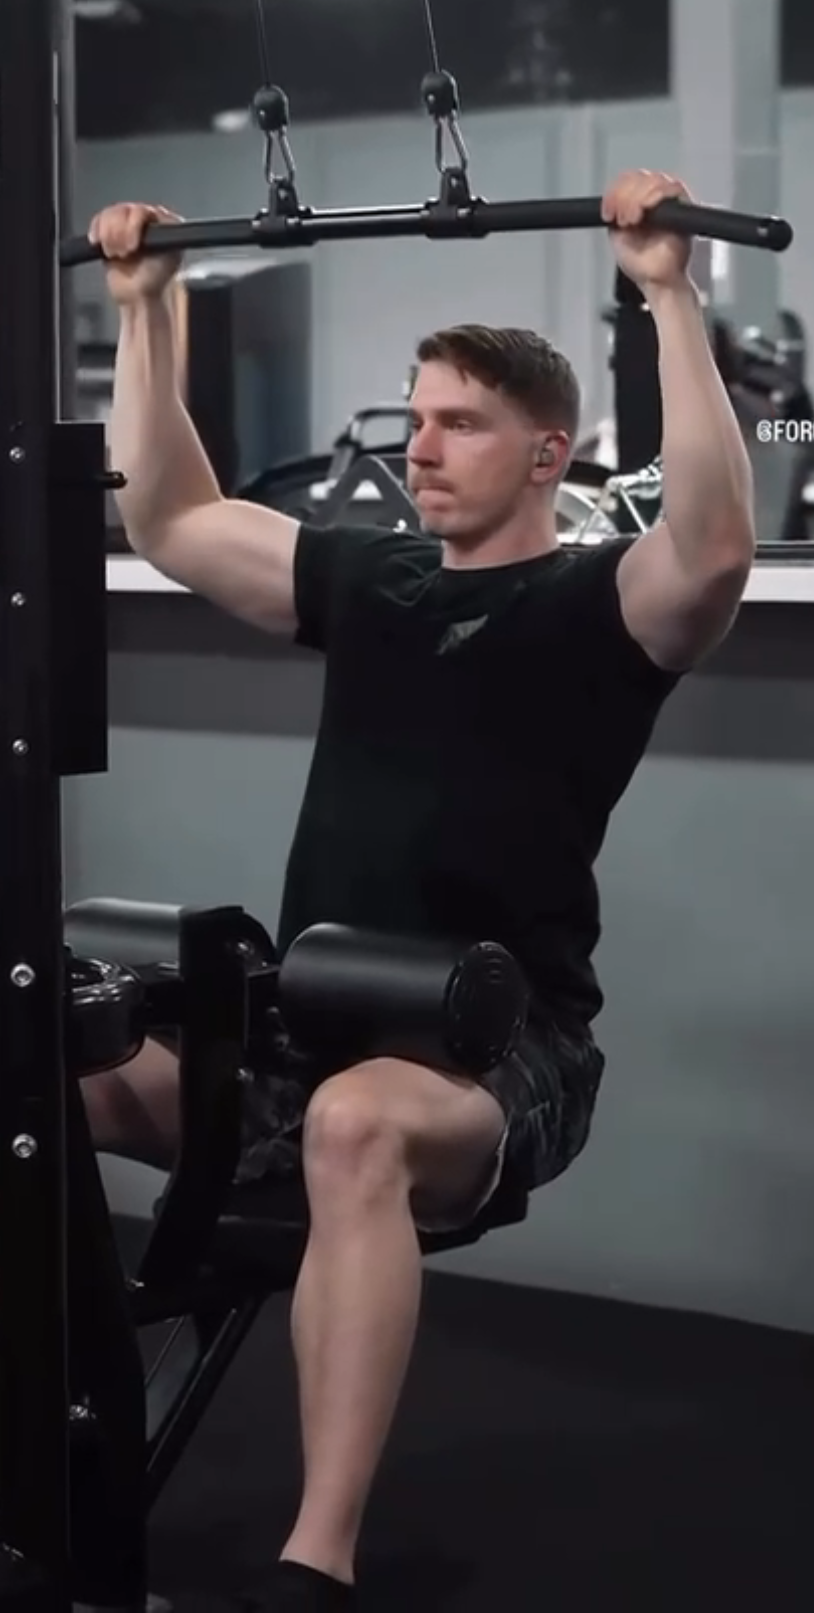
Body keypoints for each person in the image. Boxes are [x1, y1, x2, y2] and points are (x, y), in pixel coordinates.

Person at [83, 170, 755, 1611]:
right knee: (44, 1063)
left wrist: (666, 290)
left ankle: (316, 1560)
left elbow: (711, 544)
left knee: (356, 1121)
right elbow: (176, 521)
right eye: (418, 412)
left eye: (462, 421)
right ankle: (51, 1459)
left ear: (546, 454)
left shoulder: (601, 610)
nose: (422, 445)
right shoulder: (374, 584)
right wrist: (147, 311)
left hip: (498, 1054)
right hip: (303, 1029)